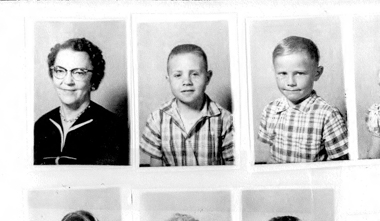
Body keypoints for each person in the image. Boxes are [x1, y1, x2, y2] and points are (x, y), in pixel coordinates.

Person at [34, 37, 128, 165]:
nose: (68, 81)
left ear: (94, 80)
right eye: (60, 71)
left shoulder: (113, 128)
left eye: (78, 72)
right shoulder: (42, 125)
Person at [257, 36, 349, 163]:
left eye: (299, 73)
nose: (290, 82)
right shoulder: (270, 110)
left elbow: (340, 163)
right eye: (283, 73)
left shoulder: (328, 116)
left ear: (317, 73)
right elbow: (271, 156)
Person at [140, 44, 234, 166]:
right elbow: (156, 173)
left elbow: (231, 172)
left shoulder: (226, 120)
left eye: (194, 74)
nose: (187, 82)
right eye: (178, 75)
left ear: (208, 78)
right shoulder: (156, 119)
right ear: (168, 80)